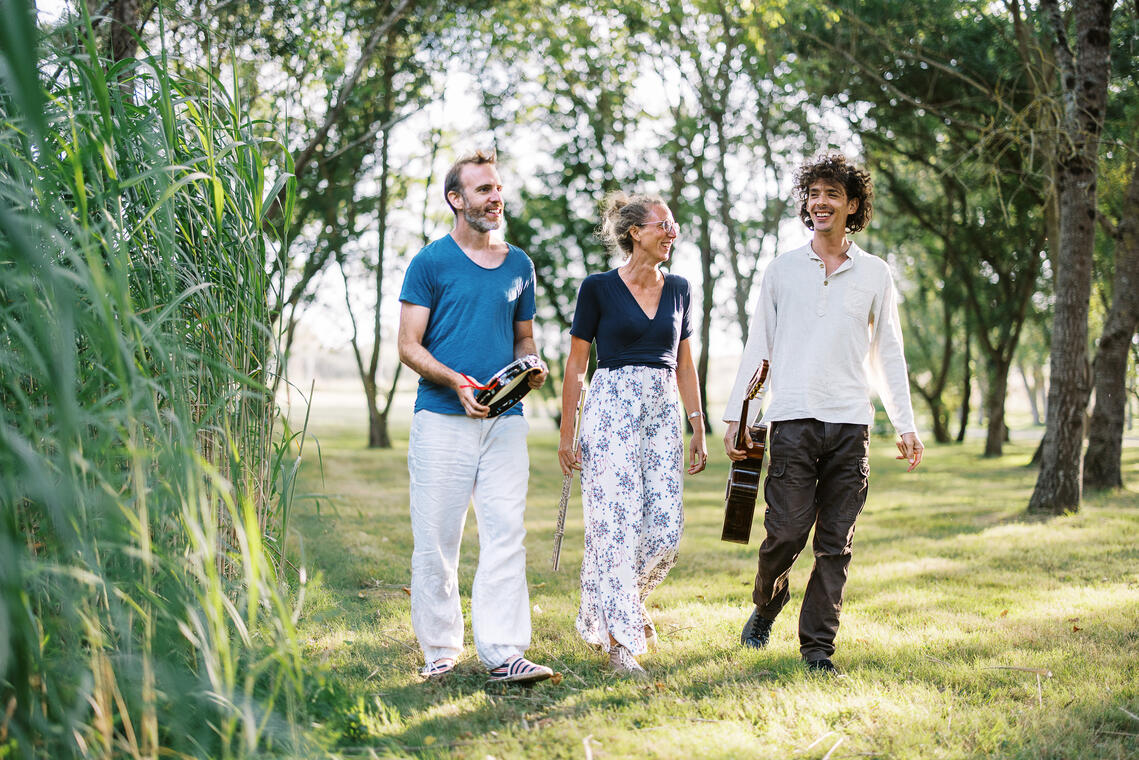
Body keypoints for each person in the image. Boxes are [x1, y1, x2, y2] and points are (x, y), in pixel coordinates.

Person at [722, 152, 924, 676]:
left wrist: (905, 423)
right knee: (785, 534)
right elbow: (759, 345)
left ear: (852, 205)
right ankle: (767, 602)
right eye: (813, 194)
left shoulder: (875, 273)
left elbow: (889, 351)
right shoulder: (782, 270)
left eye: (832, 194)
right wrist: (737, 416)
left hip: (851, 425)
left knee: (835, 545)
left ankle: (817, 650)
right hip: (791, 419)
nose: (820, 202)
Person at [397, 149, 553, 684]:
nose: (496, 197)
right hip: (442, 419)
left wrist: (532, 365)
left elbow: (523, 337)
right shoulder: (430, 263)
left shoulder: (519, 265)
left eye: (498, 188)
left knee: (507, 533)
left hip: (505, 423)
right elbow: (408, 345)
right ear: (456, 199)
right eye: (484, 189)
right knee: (437, 540)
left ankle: (504, 651)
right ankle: (440, 650)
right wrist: (457, 381)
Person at [559, 192, 708, 675]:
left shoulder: (680, 288)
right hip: (610, 411)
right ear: (635, 233)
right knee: (615, 526)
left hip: (662, 413)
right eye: (663, 224)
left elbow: (685, 364)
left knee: (665, 530)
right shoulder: (598, 288)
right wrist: (567, 430)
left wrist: (697, 425)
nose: (672, 232)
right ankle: (621, 641)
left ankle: (614, 604)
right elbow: (577, 365)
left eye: (674, 224)